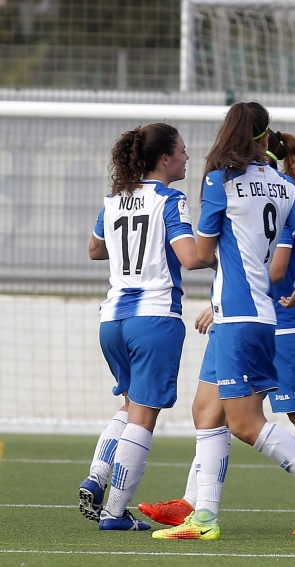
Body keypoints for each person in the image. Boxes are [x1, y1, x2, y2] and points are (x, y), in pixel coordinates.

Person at [149, 102, 295, 542]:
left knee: (244, 423)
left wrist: (177, 230)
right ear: (264, 136)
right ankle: (204, 517)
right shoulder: (283, 183)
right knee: (206, 412)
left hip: (239, 317)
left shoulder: (219, 180)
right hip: (252, 314)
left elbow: (200, 256)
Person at [78, 123, 209, 531]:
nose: (187, 158)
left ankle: (97, 477)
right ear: (165, 159)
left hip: (112, 319)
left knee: (130, 405)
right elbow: (189, 258)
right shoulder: (171, 199)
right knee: (144, 415)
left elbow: (95, 249)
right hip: (153, 317)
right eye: (183, 152)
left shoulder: (115, 200)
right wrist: (230, 260)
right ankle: (115, 513)